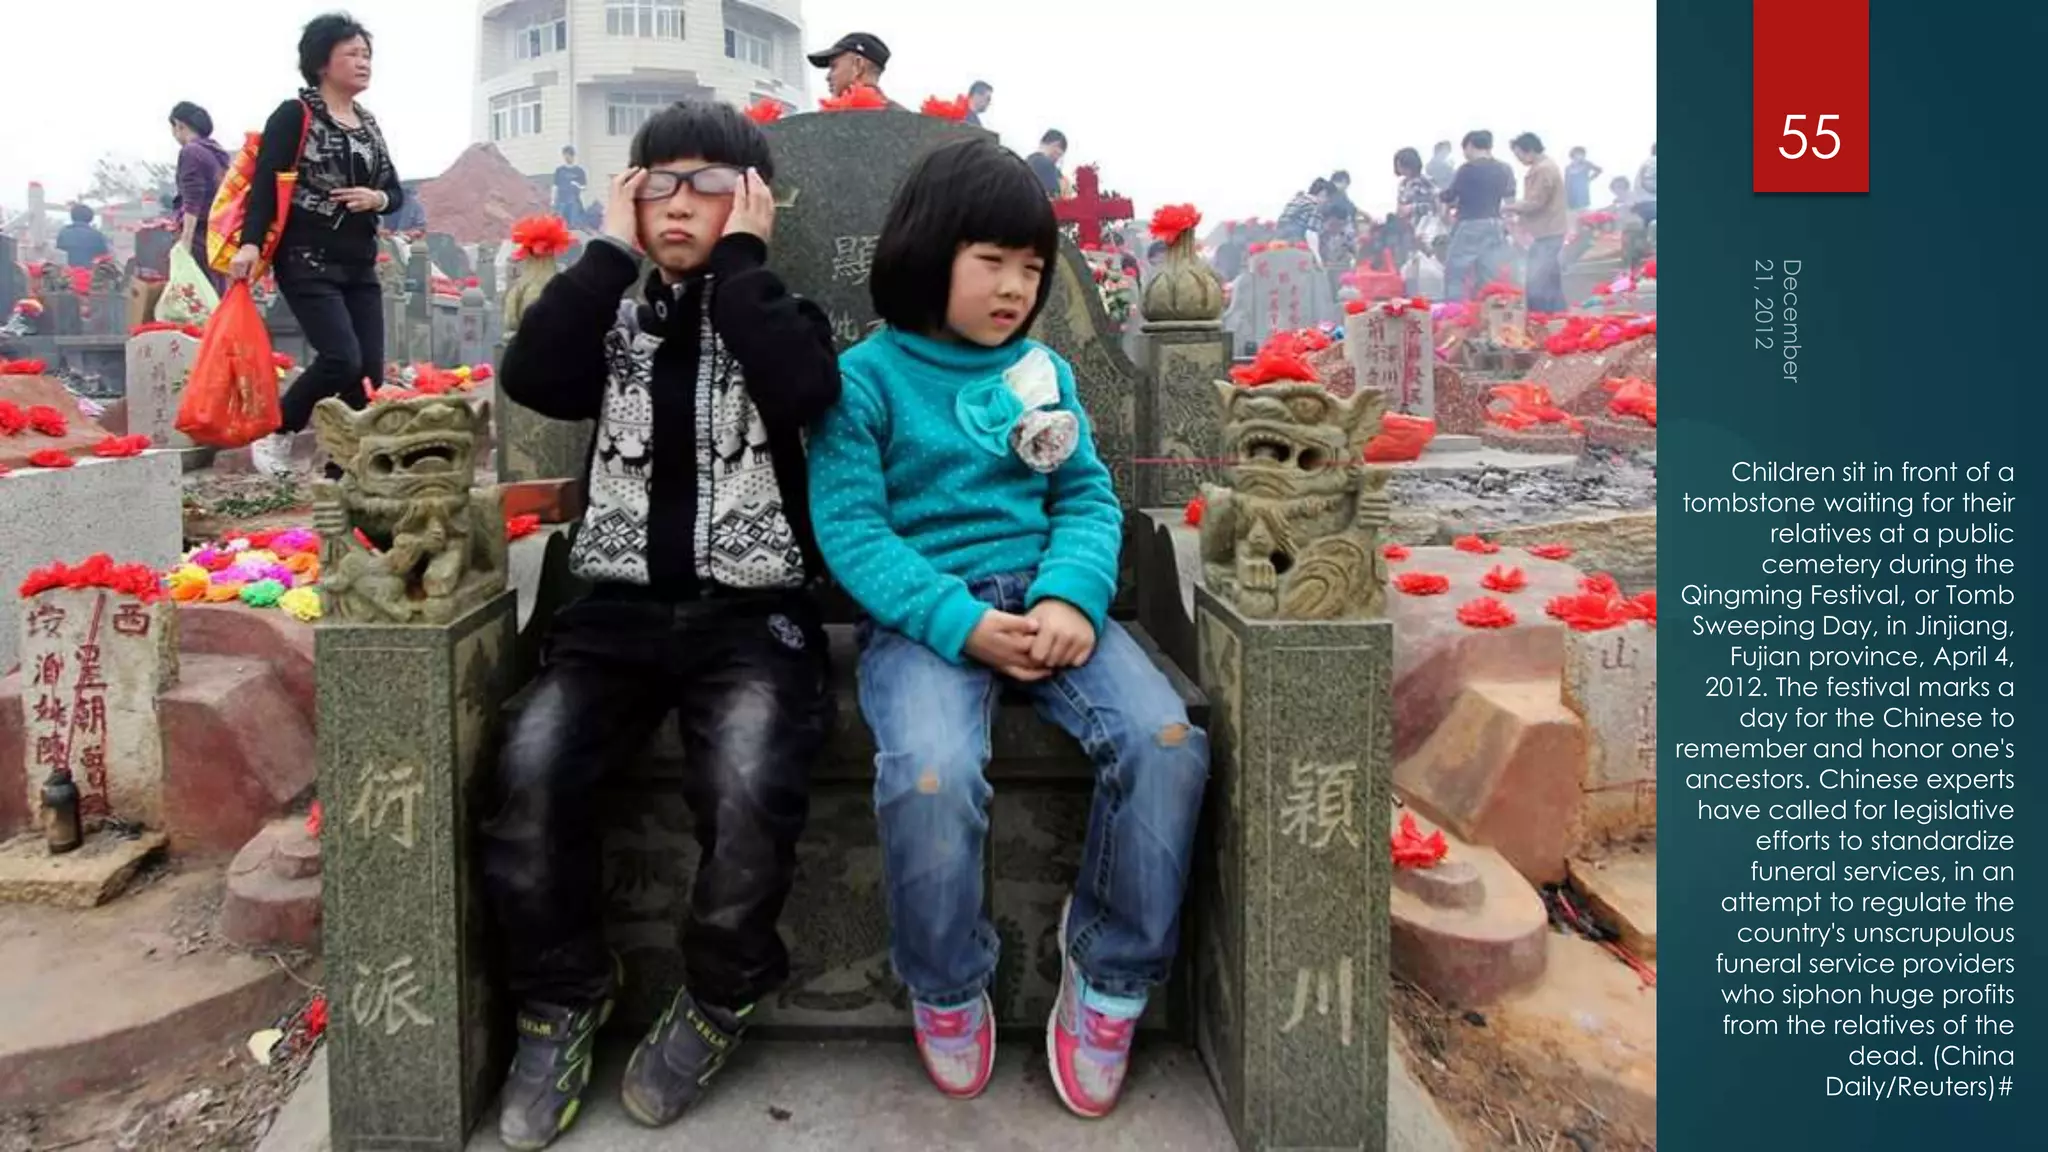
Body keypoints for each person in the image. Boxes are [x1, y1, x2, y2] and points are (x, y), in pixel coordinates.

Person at [807, 137, 1208, 1118]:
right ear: (926, 252)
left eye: (1030, 268)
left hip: (1049, 606)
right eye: (990, 261)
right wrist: (958, 622)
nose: (1013, 288)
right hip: (926, 622)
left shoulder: (1043, 373)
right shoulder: (862, 383)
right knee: (931, 775)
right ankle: (945, 985)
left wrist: (1071, 596)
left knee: (1164, 742)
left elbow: (1086, 498)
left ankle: (1110, 976)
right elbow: (852, 530)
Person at [481, 99, 841, 1151]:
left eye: (708, 183)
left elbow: (802, 387)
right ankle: (563, 995)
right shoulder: (610, 320)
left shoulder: (785, 314)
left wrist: (739, 263)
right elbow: (532, 377)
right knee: (533, 763)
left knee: (743, 782)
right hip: (614, 616)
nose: (679, 202)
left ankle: (720, 992)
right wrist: (602, 248)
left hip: (752, 618)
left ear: (756, 204)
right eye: (658, 182)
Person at [232, 13, 406, 477]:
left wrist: (378, 197)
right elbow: (267, 185)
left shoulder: (368, 125)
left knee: (368, 372)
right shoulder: (295, 115)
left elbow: (396, 191)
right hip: (306, 259)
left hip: (360, 263)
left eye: (366, 54)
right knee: (340, 358)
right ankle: (279, 430)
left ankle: (343, 471)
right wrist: (250, 245)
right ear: (321, 63)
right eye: (351, 53)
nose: (363, 62)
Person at [1438, 130, 1516, 301]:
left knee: (1455, 272)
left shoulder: (1467, 169)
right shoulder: (1504, 169)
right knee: (1490, 273)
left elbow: (1450, 195)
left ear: (1470, 146)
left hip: (1470, 223)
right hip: (1495, 223)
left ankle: (1454, 313)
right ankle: (1494, 312)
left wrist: (1440, 196)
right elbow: (1509, 196)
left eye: (1465, 149)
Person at [170, 102, 230, 292]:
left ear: (179, 125)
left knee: (196, 295)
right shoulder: (215, 153)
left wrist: (185, 242)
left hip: (199, 235)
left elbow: (193, 199)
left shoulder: (191, 152)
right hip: (217, 233)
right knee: (213, 290)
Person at [1506, 132, 1568, 311]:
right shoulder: (1544, 166)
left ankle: (1543, 317)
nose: (1518, 159)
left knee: (1539, 282)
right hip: (1548, 231)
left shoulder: (1543, 169)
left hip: (1548, 231)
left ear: (1529, 150)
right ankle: (1556, 316)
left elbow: (1536, 202)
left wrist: (1509, 208)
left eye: (1519, 154)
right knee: (1550, 280)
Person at [808, 31, 895, 103]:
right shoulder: (901, 117)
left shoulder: (832, 120)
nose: (827, 77)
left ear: (858, 65)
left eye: (834, 67)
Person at [54, 203, 110, 268]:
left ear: (72, 216)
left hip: (67, 274)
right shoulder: (97, 235)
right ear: (91, 218)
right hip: (91, 274)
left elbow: (58, 253)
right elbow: (105, 255)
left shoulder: (63, 233)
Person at [1277, 177, 1331, 244]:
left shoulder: (1297, 199)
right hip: (1296, 239)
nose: (1326, 202)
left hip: (1278, 235)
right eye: (1327, 198)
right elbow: (1312, 233)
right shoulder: (1315, 206)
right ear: (1322, 193)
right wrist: (1316, 254)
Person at [1026, 129, 1067, 198]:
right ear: (1042, 143)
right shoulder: (1045, 164)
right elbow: (1055, 197)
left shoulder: (1027, 161)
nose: (1059, 152)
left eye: (1062, 149)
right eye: (1056, 146)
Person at [552, 145, 587, 221]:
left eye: (569, 155)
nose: (567, 157)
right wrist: (553, 200)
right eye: (565, 155)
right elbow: (555, 186)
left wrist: (576, 184)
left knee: (573, 223)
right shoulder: (560, 170)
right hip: (561, 202)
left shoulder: (579, 171)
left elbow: (584, 187)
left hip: (573, 202)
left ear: (573, 156)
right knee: (560, 223)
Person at [1564, 146, 1602, 211]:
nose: (1579, 155)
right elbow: (1566, 182)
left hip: (1582, 190)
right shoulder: (1568, 167)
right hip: (1571, 191)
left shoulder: (1586, 164)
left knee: (1582, 209)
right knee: (1571, 210)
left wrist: (1590, 179)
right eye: (1577, 153)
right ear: (1573, 154)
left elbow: (1599, 170)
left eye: (1581, 153)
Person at [1633, 143, 1657, 225]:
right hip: (1652, 202)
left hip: (1644, 203)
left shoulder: (1647, 162)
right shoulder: (1654, 161)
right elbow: (1649, 183)